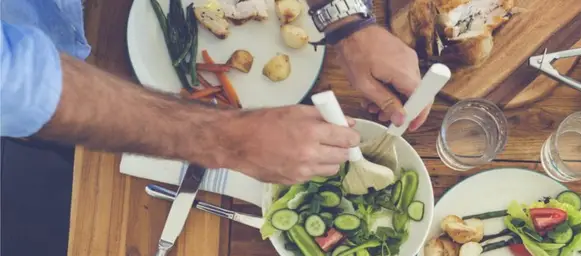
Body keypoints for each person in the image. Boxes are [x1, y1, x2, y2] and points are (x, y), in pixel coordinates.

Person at [0, 0, 428, 185]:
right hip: (49, 81)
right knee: (89, 174)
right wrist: (231, 140)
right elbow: (22, 85)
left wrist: (347, 22)